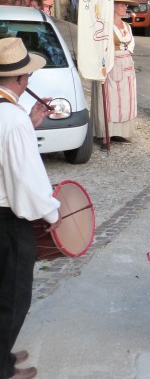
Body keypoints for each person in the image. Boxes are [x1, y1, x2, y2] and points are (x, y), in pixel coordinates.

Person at [0, 37, 62, 379]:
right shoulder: (13, 118)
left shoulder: (12, 115)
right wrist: (53, 216)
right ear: (22, 79)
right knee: (13, 296)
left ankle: (3, 353)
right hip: (7, 220)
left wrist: (30, 123)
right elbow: (28, 180)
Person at [91, 0, 138, 143]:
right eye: (122, 4)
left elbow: (131, 44)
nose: (125, 7)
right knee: (111, 99)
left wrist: (127, 52)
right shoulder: (105, 25)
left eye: (126, 5)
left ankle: (122, 132)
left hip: (127, 64)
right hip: (112, 64)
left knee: (126, 98)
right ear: (113, 6)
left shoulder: (127, 26)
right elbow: (100, 45)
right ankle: (106, 133)